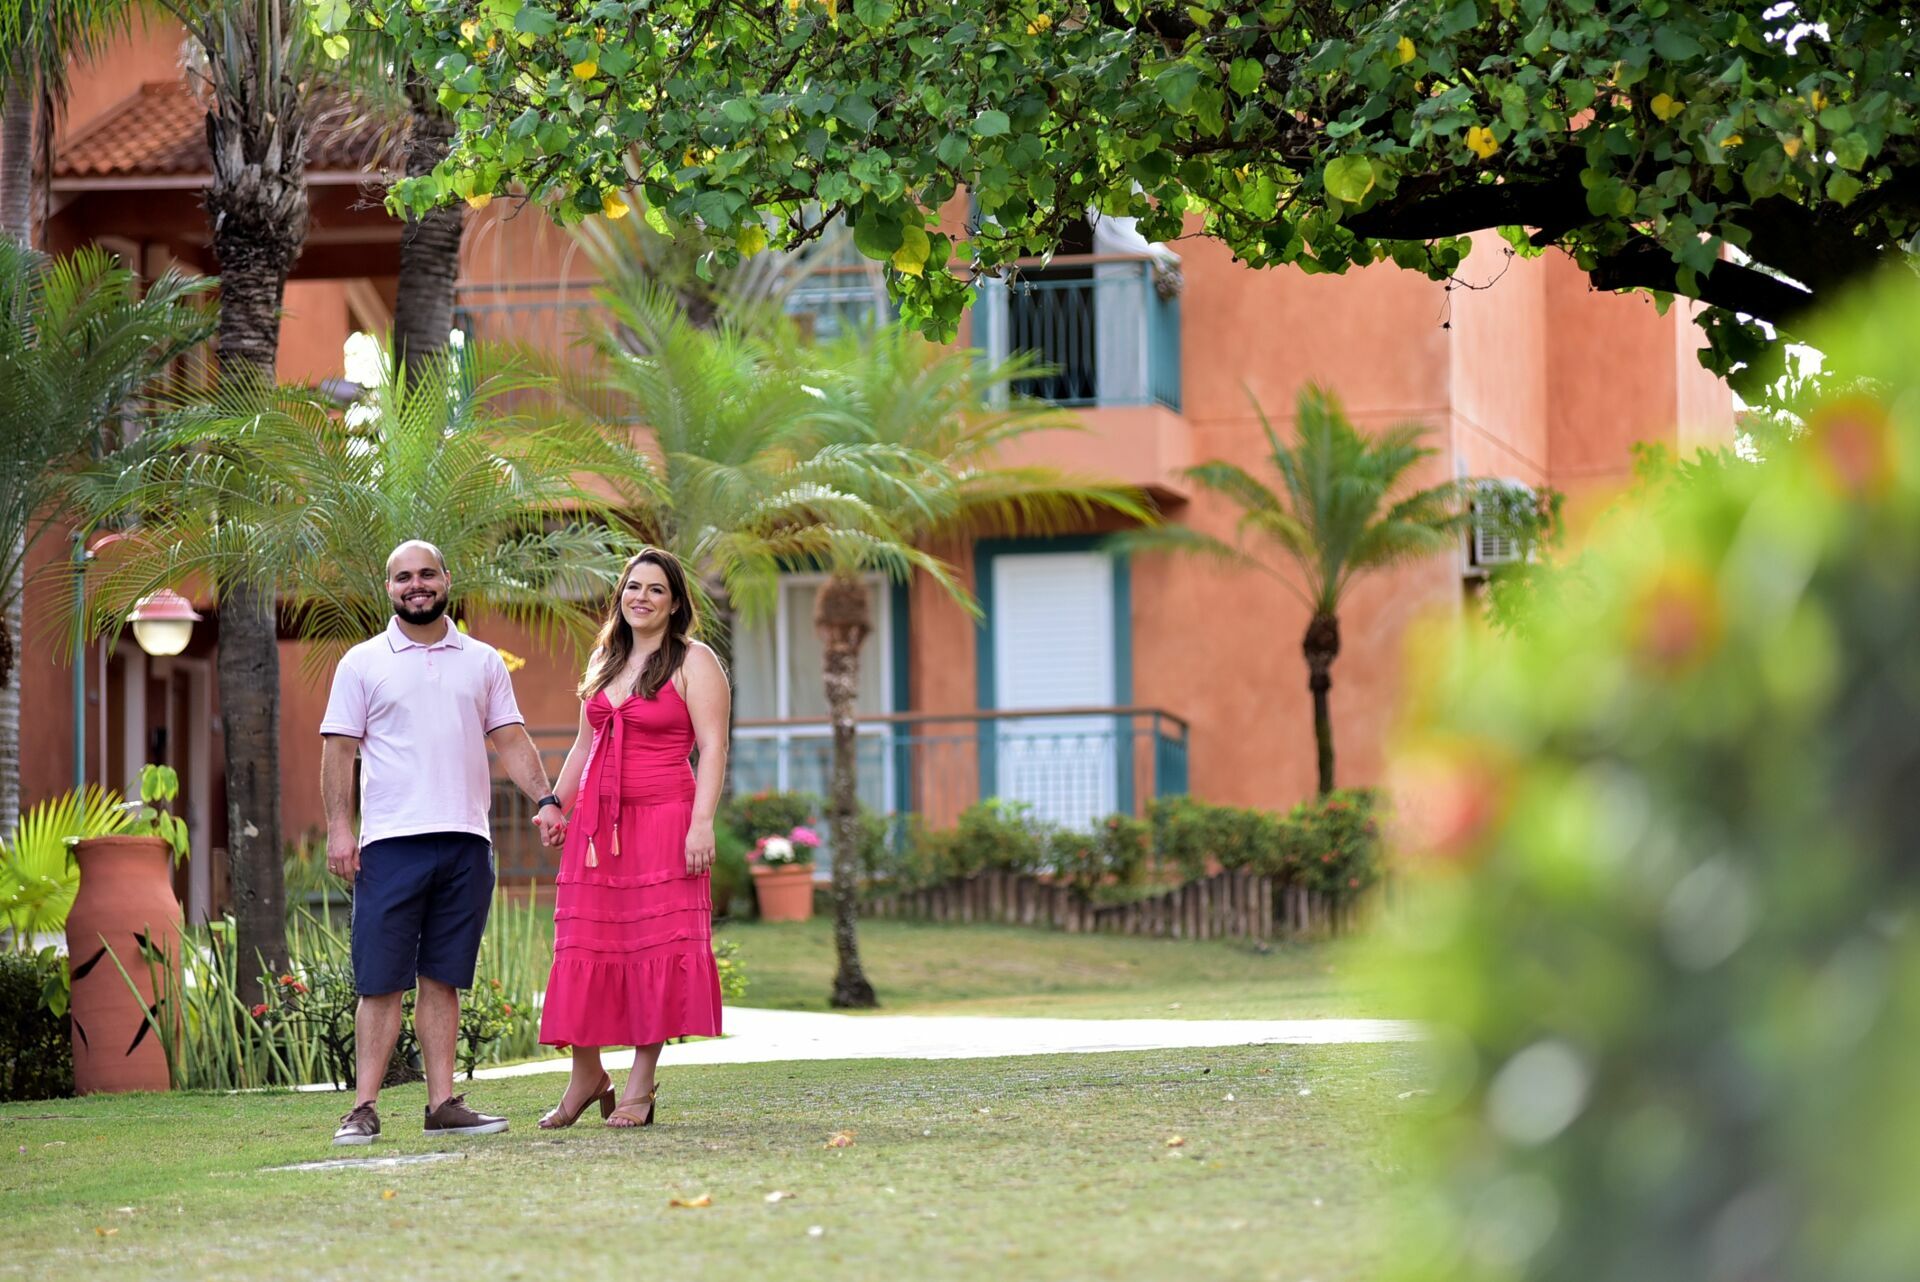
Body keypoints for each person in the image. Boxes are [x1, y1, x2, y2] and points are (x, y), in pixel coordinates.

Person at [320, 540, 567, 1146]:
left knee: (443, 978)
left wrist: (546, 797)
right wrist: (338, 828)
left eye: (426, 574)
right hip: (390, 844)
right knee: (380, 980)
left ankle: (441, 1105)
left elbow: (510, 738)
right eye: (403, 576)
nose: (416, 585)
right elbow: (338, 750)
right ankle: (363, 1108)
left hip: (465, 842)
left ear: (446, 581)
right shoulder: (361, 662)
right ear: (389, 589)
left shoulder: (482, 661)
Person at [535, 546, 729, 1129]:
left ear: (674, 605)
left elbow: (714, 747)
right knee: (585, 948)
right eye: (632, 587)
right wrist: (554, 802)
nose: (640, 598)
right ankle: (586, 1076)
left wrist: (701, 822)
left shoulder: (696, 662)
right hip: (595, 829)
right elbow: (584, 745)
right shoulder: (605, 658)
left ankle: (641, 1086)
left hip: (665, 821)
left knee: (655, 949)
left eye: (655, 590)